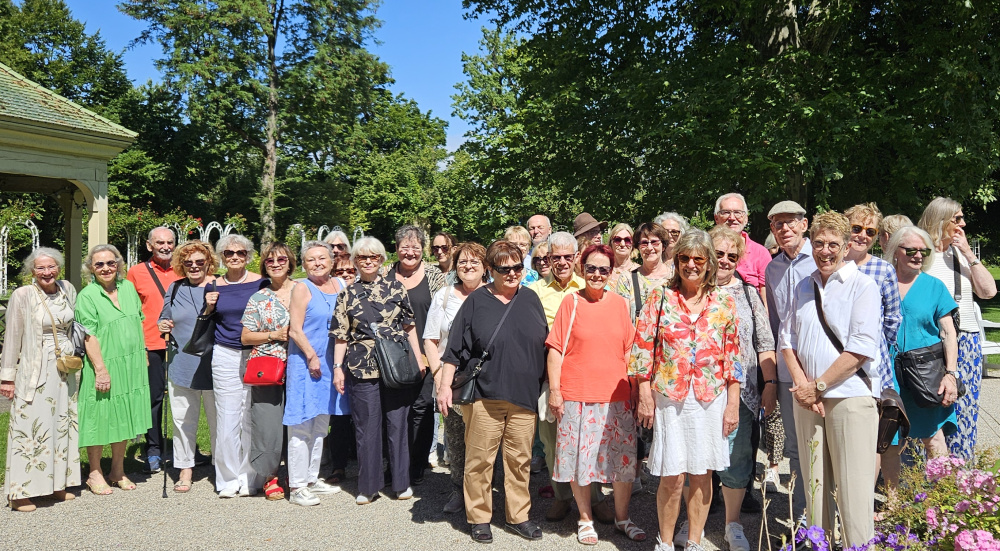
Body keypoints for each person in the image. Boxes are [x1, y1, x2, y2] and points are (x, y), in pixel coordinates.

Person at [630, 229, 740, 551]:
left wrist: (732, 405)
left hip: (710, 399)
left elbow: (732, 357)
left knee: (702, 474)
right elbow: (642, 348)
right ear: (676, 260)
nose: (690, 264)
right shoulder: (660, 297)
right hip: (670, 398)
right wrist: (645, 395)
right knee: (672, 475)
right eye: (683, 258)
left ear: (709, 263)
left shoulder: (724, 302)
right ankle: (664, 543)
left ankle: (693, 541)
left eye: (698, 259)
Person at [779, 211, 881, 548]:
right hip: (807, 401)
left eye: (833, 244)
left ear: (848, 245)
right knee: (815, 491)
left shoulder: (863, 286)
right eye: (819, 243)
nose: (825, 251)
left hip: (850, 398)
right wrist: (804, 389)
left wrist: (818, 385)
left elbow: (860, 349)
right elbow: (786, 342)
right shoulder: (802, 286)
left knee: (854, 496)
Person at [436, 240, 549, 544]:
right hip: (485, 395)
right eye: (505, 268)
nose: (513, 273)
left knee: (519, 461)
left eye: (517, 267)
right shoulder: (476, 301)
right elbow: (453, 350)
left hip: (524, 397)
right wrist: (444, 386)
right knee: (480, 460)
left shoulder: (530, 299)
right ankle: (479, 517)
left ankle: (518, 516)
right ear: (491, 270)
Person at [546, 244, 646, 545]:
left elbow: (630, 349)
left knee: (623, 462)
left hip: (617, 396)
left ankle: (622, 518)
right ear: (582, 268)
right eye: (592, 268)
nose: (597, 274)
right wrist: (555, 391)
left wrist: (637, 388)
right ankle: (585, 518)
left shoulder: (619, 304)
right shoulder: (570, 303)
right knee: (581, 460)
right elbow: (554, 350)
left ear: (611, 272)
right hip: (578, 394)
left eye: (604, 269)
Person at [332, 236, 427, 504]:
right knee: (367, 428)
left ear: (382, 259)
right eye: (363, 257)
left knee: (398, 424)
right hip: (362, 366)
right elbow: (341, 335)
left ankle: (401, 482)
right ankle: (368, 486)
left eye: (374, 257)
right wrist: (338, 368)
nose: (369, 261)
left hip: (395, 364)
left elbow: (409, 326)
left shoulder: (397, 289)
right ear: (355, 261)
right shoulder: (347, 294)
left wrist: (418, 358)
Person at [528, 232, 615, 524]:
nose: (562, 262)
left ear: (577, 256)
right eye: (556, 257)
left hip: (588, 376)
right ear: (548, 259)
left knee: (591, 441)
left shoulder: (591, 284)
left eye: (568, 256)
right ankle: (562, 497)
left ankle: (595, 499)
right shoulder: (535, 292)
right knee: (552, 441)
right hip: (550, 375)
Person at [710, 227, 777, 551]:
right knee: (696, 461)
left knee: (737, 460)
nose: (724, 260)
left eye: (731, 256)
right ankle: (691, 519)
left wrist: (771, 384)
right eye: (718, 253)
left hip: (744, 392)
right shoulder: (692, 289)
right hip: (698, 392)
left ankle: (732, 524)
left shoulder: (749, 293)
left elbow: (765, 342)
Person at [2, 248, 81, 511]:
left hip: (64, 371)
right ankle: (20, 492)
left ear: (58, 268)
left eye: (51, 267)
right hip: (36, 369)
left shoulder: (67, 289)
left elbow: (75, 327)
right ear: (32, 271)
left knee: (61, 424)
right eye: (40, 268)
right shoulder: (23, 295)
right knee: (31, 426)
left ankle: (57, 485)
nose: (47, 272)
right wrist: (7, 378)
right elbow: (12, 338)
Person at [881, 226, 960, 488]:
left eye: (923, 251)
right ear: (895, 251)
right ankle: (893, 503)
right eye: (911, 250)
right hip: (888, 373)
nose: (918, 255)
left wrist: (951, 374)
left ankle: (943, 501)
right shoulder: (881, 281)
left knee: (933, 437)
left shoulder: (934, 286)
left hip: (925, 373)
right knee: (889, 440)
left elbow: (948, 332)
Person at [919, 197, 996, 460]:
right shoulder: (922, 255)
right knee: (929, 405)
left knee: (965, 407)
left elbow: (988, 292)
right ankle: (927, 476)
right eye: (958, 218)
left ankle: (961, 474)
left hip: (966, 339)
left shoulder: (960, 256)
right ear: (940, 220)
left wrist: (969, 254)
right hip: (931, 341)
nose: (963, 223)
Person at [75, 244, 152, 494]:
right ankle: (95, 472)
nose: (106, 268)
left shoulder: (128, 288)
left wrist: (144, 354)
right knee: (99, 416)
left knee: (125, 414)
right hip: (104, 363)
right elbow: (89, 336)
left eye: (111, 262)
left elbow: (138, 323)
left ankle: (117, 470)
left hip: (131, 363)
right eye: (99, 264)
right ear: (91, 269)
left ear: (118, 264)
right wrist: (100, 369)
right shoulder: (87, 296)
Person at [424, 242, 487, 514]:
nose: (468, 266)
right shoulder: (445, 296)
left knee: (485, 439)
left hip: (486, 380)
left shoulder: (496, 295)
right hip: (452, 380)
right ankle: (458, 490)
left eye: (475, 262)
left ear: (485, 267)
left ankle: (483, 492)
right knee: (456, 438)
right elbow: (430, 338)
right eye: (463, 262)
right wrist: (440, 378)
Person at [280, 241, 346, 505]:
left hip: (332, 364)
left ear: (332, 260)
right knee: (301, 423)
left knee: (321, 424)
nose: (317, 263)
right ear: (304, 264)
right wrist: (311, 356)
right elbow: (295, 329)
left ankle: (311, 478)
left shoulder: (341, 286)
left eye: (322, 258)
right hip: (307, 363)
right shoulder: (301, 288)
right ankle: (296, 486)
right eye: (311, 260)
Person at [763, 200, 815, 520]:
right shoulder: (773, 269)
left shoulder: (823, 259)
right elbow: (773, 321)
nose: (784, 229)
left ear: (804, 224)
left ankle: (825, 509)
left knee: (823, 441)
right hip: (786, 369)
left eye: (790, 222)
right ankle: (801, 516)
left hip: (821, 367)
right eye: (777, 224)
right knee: (794, 447)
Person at [382, 225, 445, 485]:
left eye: (415, 248)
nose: (409, 252)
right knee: (395, 409)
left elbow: (443, 312)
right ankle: (395, 463)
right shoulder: (385, 274)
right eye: (404, 247)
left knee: (421, 407)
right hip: (392, 352)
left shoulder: (433, 275)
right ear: (396, 249)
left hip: (427, 351)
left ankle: (417, 463)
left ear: (422, 249)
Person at [158, 241, 219, 494]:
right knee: (182, 419)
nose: (194, 266)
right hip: (181, 362)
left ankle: (221, 467)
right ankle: (185, 468)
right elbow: (164, 316)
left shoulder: (220, 286)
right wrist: (163, 324)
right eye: (188, 262)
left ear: (208, 263)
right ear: (181, 265)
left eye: (199, 262)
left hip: (214, 364)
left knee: (219, 421)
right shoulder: (174, 287)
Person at [239, 242, 296, 501]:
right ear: (264, 265)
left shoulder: (304, 290)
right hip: (268, 367)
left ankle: (298, 474)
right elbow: (246, 336)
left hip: (301, 365)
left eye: (281, 259)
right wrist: (275, 334)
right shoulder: (259, 298)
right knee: (267, 424)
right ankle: (270, 476)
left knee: (300, 423)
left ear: (290, 262)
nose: (276, 264)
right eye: (270, 260)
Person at [211, 234, 266, 498]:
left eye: (240, 253)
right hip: (225, 354)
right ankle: (227, 479)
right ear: (222, 256)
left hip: (256, 353)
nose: (235, 257)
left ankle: (249, 477)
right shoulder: (213, 286)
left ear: (248, 255)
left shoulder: (260, 283)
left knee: (250, 417)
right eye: (229, 253)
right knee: (227, 418)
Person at [125, 226, 181, 473]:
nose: (166, 246)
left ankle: (185, 451)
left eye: (170, 242)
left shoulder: (184, 269)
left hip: (184, 345)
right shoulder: (136, 273)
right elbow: (131, 313)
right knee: (154, 400)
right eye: (160, 242)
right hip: (152, 345)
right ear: (149, 246)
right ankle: (154, 450)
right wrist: (139, 348)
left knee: (185, 399)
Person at [327, 253, 358, 484]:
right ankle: (338, 465)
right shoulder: (330, 295)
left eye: (351, 271)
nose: (346, 275)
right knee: (339, 415)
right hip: (336, 360)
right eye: (340, 272)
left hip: (362, 361)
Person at [714, 193, 770, 301]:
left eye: (737, 213)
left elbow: (766, 298)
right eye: (726, 212)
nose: (732, 218)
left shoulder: (761, 253)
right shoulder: (706, 248)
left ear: (745, 218)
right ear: (716, 218)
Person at [615, 222, 674, 321]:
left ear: (663, 246)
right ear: (638, 247)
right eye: (644, 243)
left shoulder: (675, 277)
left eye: (654, 242)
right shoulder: (627, 279)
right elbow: (623, 320)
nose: (649, 248)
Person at [607, 222, 639, 291]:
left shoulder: (640, 271)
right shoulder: (603, 270)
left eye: (627, 240)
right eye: (617, 240)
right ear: (611, 243)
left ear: (633, 244)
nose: (622, 244)